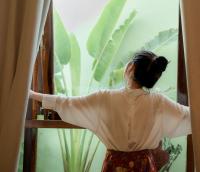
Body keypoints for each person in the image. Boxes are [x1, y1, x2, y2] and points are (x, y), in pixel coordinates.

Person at [30, 50, 191, 172]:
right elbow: (190, 115)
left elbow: (68, 103)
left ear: (130, 67)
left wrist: (31, 94)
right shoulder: (159, 102)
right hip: (144, 166)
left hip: (114, 166)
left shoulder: (105, 98)